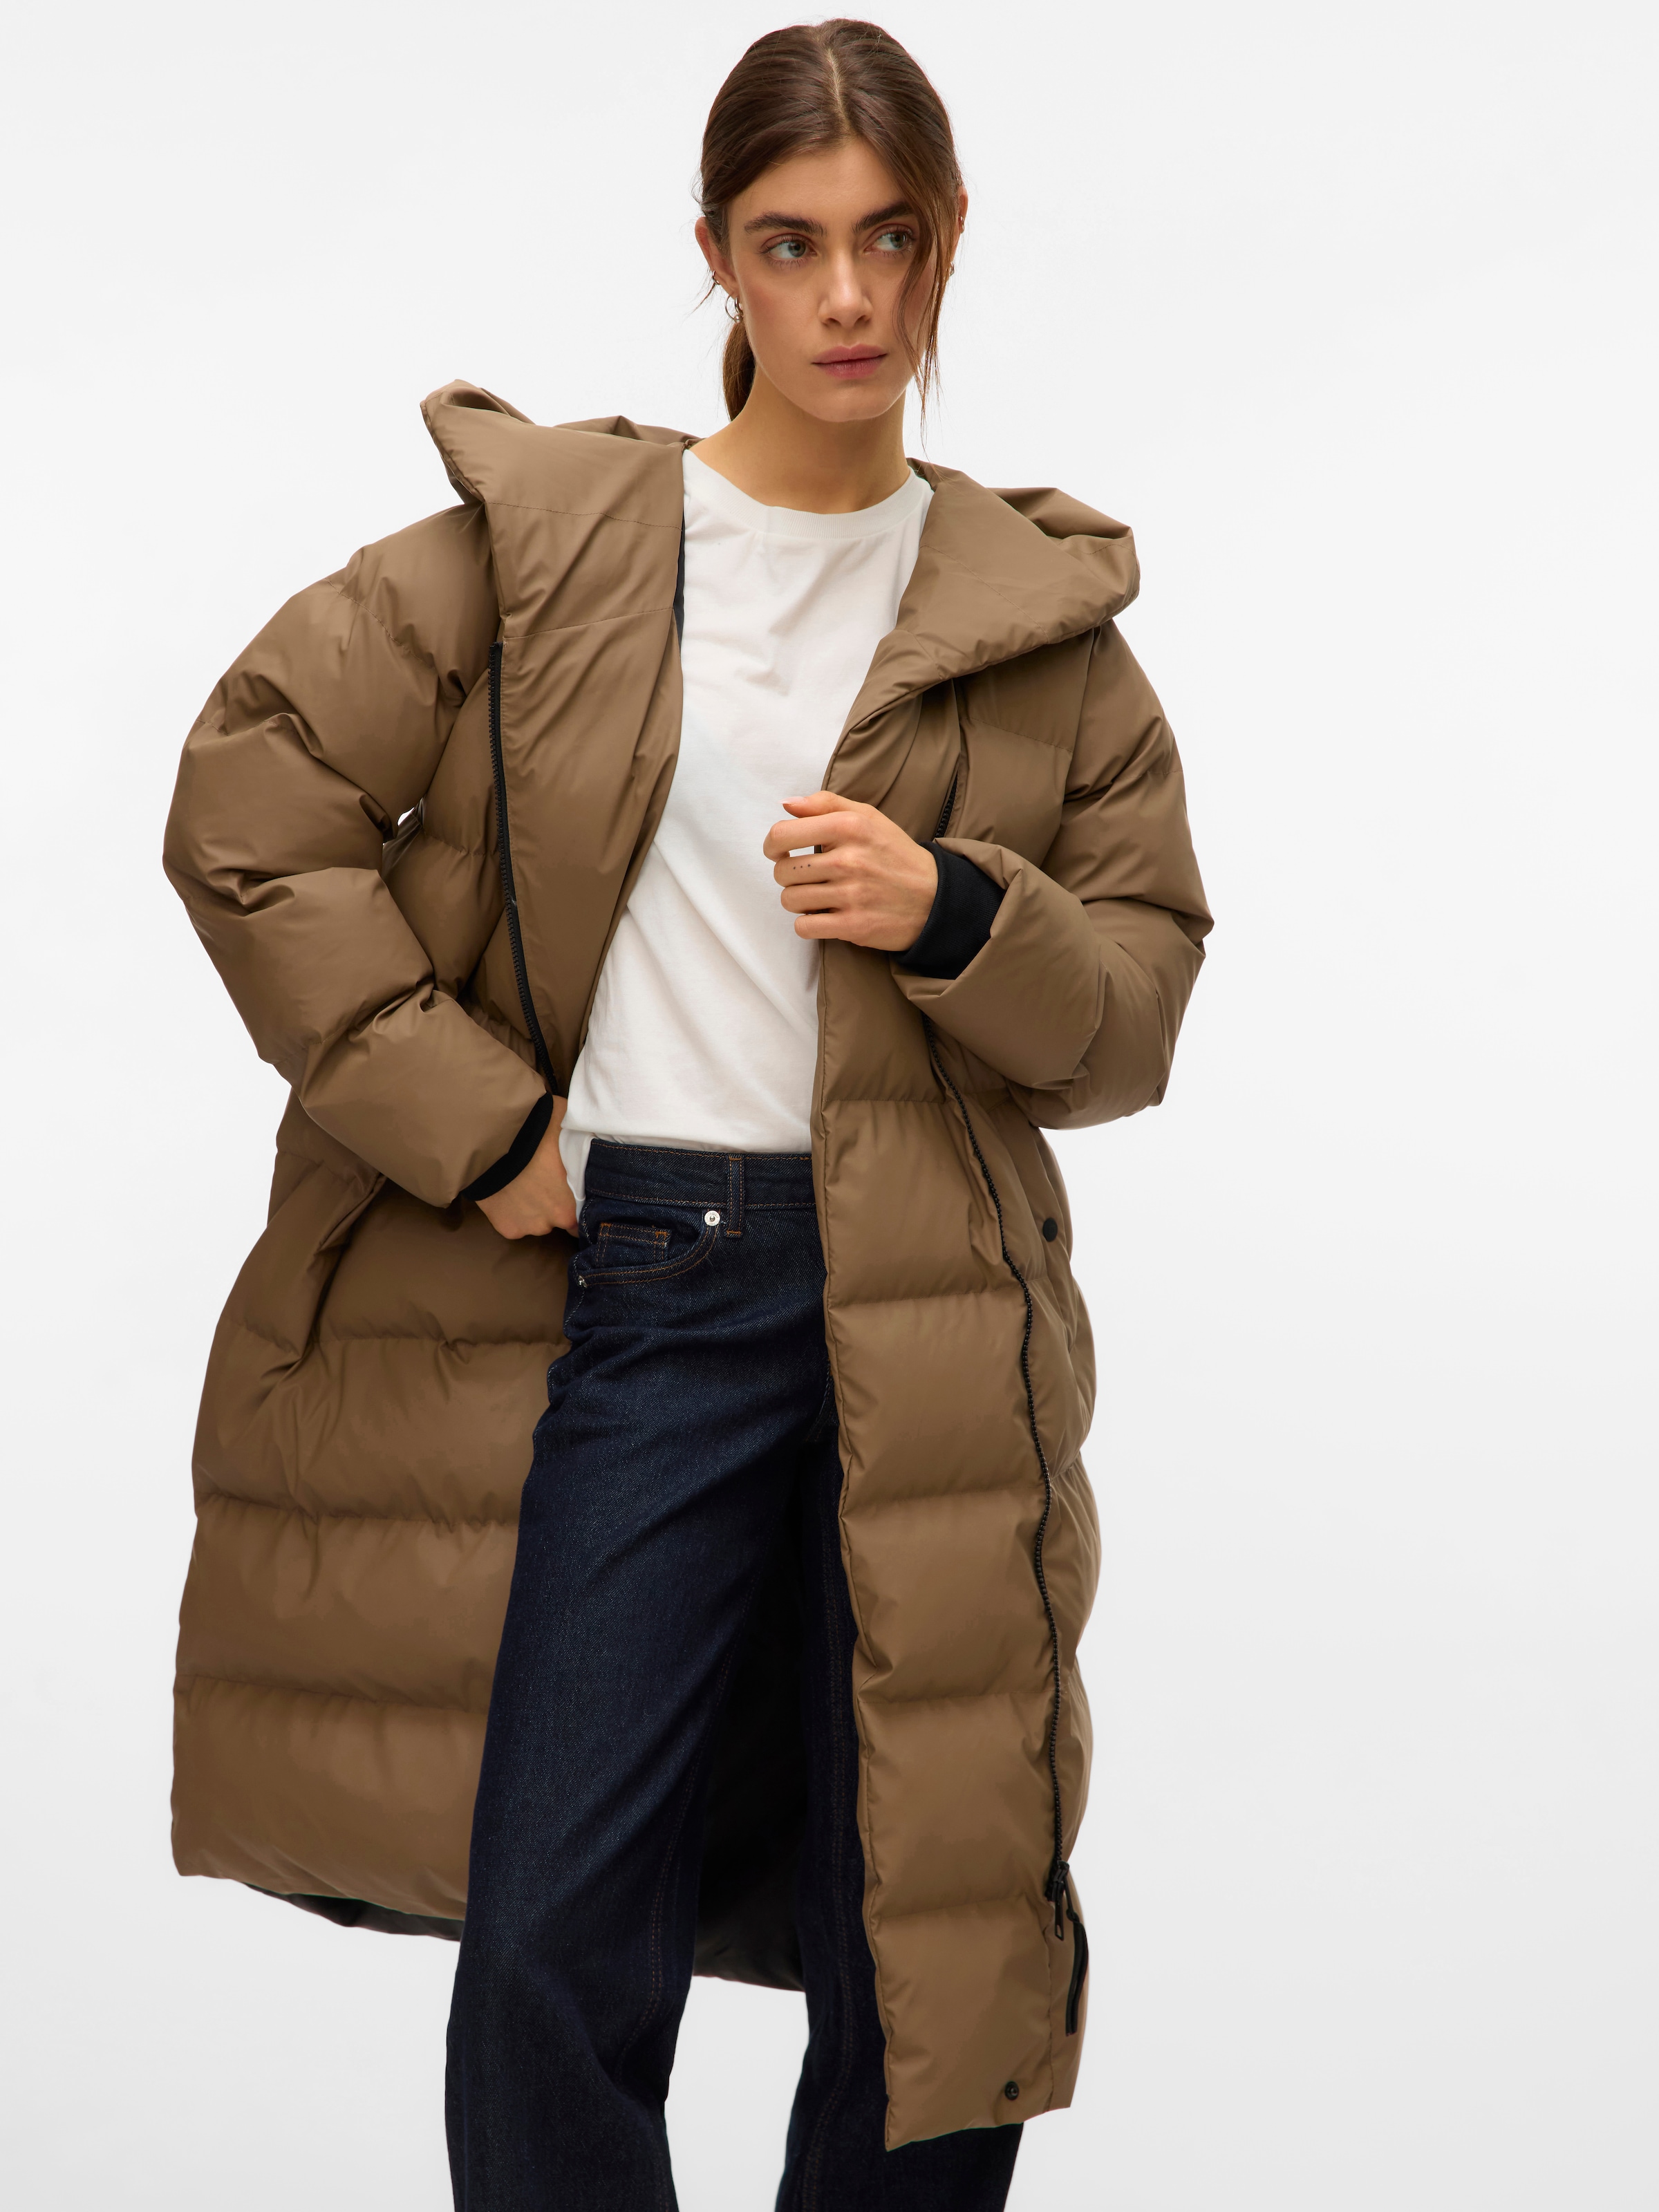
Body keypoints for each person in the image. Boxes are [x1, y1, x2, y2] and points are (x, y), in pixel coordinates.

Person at [162, 18, 1212, 2209]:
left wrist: (952, 911)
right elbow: (253, 800)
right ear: (720, 257)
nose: (849, 297)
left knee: (924, 1950)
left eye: (891, 240)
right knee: (553, 1936)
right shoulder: (552, 550)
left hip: (930, 1319)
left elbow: (1128, 1017)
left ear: (948, 248)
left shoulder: (1041, 634)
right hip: (642, 1284)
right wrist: (474, 1128)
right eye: (792, 243)